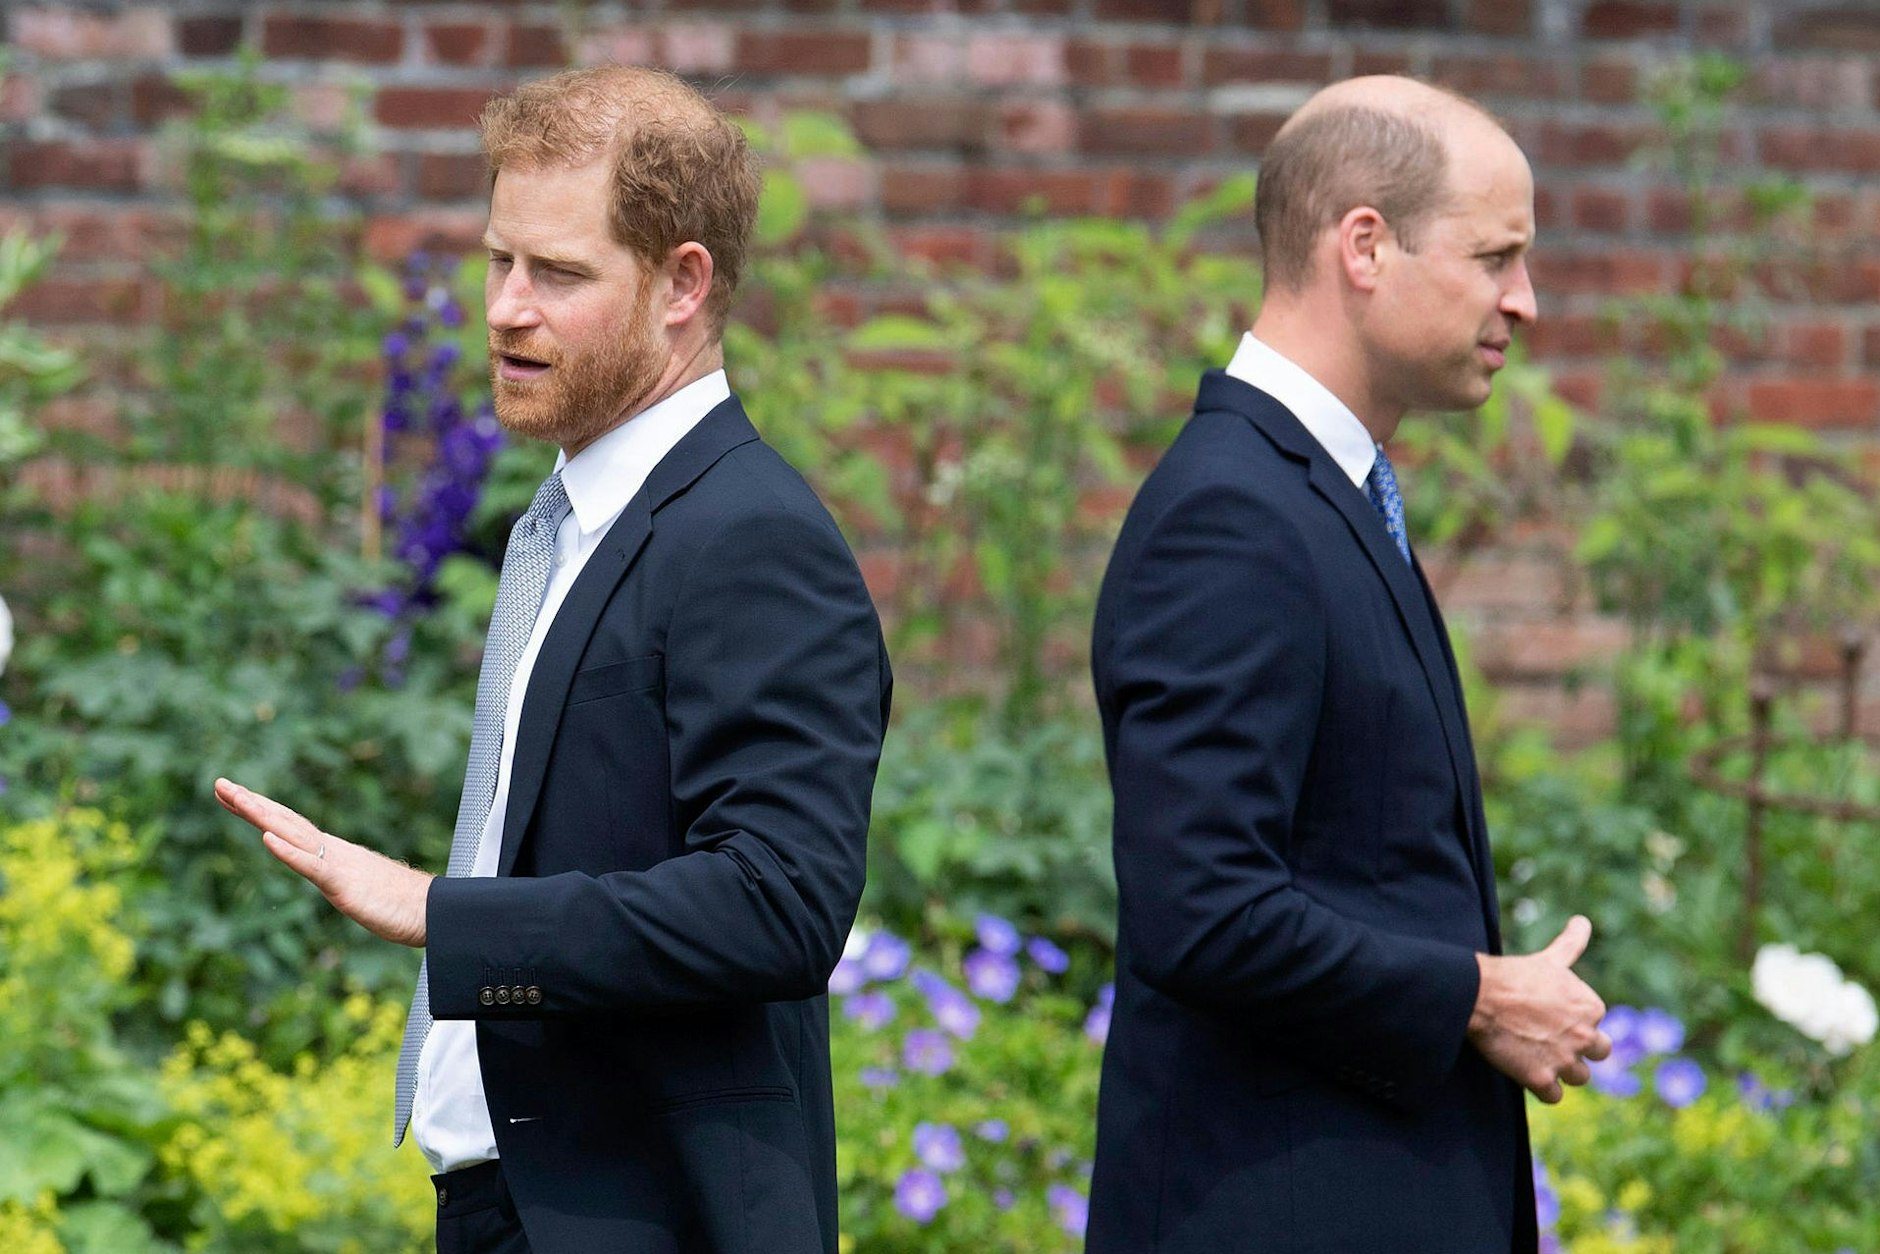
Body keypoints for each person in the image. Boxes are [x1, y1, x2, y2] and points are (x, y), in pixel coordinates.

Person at [215, 66, 890, 1254]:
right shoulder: (574, 520)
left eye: (559, 274)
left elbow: (781, 905)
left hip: (638, 1216)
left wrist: (449, 919)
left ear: (683, 283)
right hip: (517, 1203)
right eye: (497, 260)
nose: (505, 308)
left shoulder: (750, 535)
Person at [1084, 76, 1610, 1253]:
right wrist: (1474, 994)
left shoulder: (1318, 496)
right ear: (1362, 246)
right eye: (1494, 258)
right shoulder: (1232, 516)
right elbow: (1200, 910)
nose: (1522, 303)